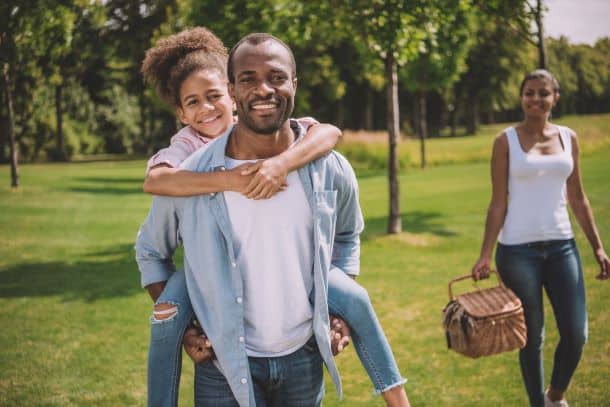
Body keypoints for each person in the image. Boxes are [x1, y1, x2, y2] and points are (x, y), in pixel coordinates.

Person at [136, 31, 409, 406]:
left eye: (277, 77)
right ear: (234, 89)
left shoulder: (327, 166)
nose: (263, 89)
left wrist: (334, 308)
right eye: (248, 79)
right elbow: (151, 249)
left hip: (303, 360)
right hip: (222, 367)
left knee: (356, 300)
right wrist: (184, 329)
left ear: (294, 84)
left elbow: (346, 236)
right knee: (168, 318)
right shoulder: (188, 176)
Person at [471, 69, 609, 407]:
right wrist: (485, 254)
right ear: (521, 97)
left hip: (563, 247)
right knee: (531, 337)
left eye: (543, 93)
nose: (536, 99)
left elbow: (578, 197)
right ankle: (537, 403)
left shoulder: (568, 138)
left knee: (577, 334)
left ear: (555, 98)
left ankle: (555, 396)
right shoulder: (505, 141)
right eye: (530, 92)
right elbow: (498, 200)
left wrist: (598, 247)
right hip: (517, 251)